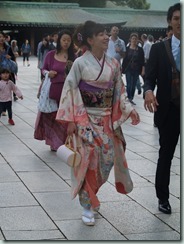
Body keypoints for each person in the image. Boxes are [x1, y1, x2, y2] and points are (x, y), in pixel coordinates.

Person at [56, 21, 140, 226]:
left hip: (106, 121)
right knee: (88, 163)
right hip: (85, 119)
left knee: (106, 161)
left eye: (105, 34)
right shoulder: (80, 63)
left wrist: (129, 109)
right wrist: (72, 121)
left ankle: (92, 194)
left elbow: (119, 90)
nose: (105, 37)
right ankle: (87, 204)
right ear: (90, 39)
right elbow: (70, 90)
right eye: (100, 34)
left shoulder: (113, 64)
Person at [143, 3, 180, 214]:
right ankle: (163, 198)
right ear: (170, 21)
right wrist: (148, 91)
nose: (180, 22)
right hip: (169, 110)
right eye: (176, 18)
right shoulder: (159, 49)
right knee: (166, 154)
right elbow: (148, 78)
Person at [34, 29, 75, 151]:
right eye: (64, 40)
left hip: (68, 92)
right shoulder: (51, 54)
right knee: (52, 117)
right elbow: (43, 69)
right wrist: (48, 73)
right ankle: (54, 141)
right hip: (53, 90)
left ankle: (65, 142)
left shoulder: (74, 57)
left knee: (65, 117)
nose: (66, 42)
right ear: (59, 41)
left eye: (68, 40)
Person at [122, 33, 145, 105]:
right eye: (133, 39)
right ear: (130, 39)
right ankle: (129, 97)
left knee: (134, 84)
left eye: (135, 39)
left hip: (136, 68)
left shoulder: (140, 49)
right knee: (129, 83)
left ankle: (131, 97)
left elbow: (142, 60)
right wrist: (122, 68)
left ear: (137, 40)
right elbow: (125, 60)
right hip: (128, 68)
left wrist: (143, 69)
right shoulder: (127, 49)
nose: (134, 40)